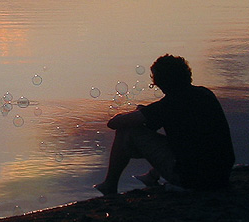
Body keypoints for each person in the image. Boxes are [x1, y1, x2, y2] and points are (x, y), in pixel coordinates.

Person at [94, 53, 235, 195]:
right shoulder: (204, 93)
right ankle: (151, 176)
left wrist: (128, 115)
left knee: (127, 131)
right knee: (186, 142)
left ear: (160, 82)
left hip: (192, 179)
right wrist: (146, 113)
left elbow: (114, 124)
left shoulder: (168, 105)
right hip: (221, 175)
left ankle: (110, 184)